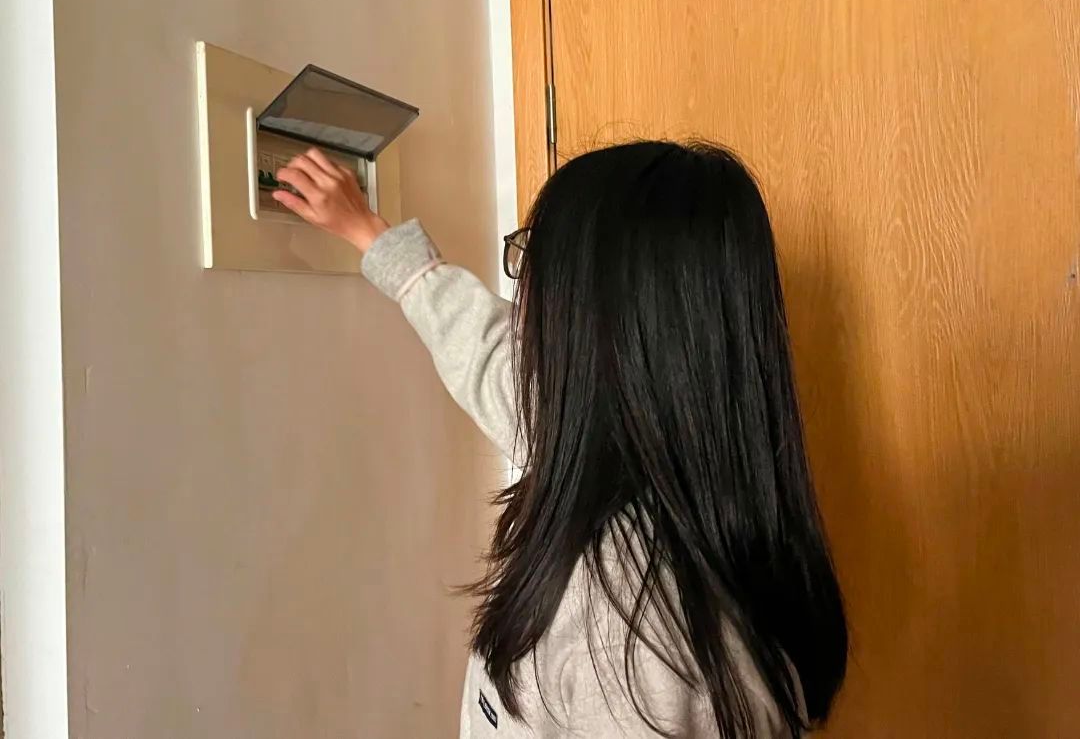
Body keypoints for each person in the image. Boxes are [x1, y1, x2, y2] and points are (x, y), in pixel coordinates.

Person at [273, 141, 849, 738]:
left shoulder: (626, 636)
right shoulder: (646, 459)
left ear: (595, 317)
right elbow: (484, 350)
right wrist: (370, 234)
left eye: (533, 261)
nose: (520, 299)